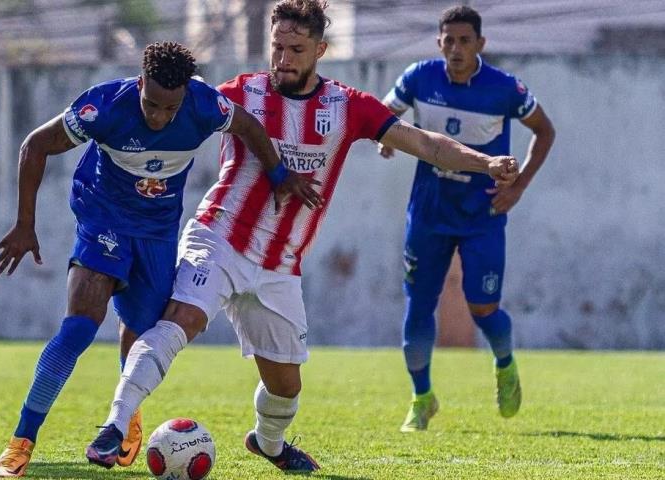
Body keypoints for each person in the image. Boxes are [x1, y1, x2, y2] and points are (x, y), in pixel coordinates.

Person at [85, 0, 520, 473]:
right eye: (278, 47)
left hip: (280, 266)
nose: (284, 58)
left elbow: (426, 144)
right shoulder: (240, 94)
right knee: (181, 320)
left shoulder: (348, 106)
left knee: (286, 386)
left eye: (296, 48)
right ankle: (115, 427)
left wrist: (485, 162)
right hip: (219, 238)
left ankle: (268, 443)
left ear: (320, 49)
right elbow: (166, 107)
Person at [0, 41, 320, 477]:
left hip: (158, 233)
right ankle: (21, 442)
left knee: (144, 331)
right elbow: (35, 146)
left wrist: (278, 174)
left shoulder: (204, 105)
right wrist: (25, 224)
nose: (159, 116)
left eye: (170, 108)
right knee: (80, 326)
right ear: (140, 82)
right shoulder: (106, 105)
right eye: (151, 104)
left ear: (185, 93)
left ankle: (126, 418)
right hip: (103, 217)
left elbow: (248, 126)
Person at [378, 5, 556, 432]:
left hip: (483, 214)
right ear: (438, 43)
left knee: (482, 306)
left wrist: (519, 186)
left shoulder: (504, 89)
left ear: (481, 44)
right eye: (449, 41)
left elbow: (545, 131)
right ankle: (422, 399)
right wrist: (384, 139)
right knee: (419, 306)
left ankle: (505, 364)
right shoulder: (419, 77)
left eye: (465, 41)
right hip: (429, 212)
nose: (456, 49)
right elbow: (384, 115)